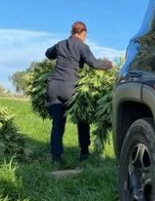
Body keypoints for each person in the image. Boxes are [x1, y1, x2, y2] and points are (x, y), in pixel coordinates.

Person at [45, 21, 113, 164]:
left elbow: (48, 54)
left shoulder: (60, 44)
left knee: (57, 123)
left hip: (54, 87)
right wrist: (109, 64)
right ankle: (84, 153)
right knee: (82, 119)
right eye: (85, 36)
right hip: (70, 88)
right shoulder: (82, 46)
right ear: (83, 33)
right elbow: (94, 63)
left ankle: (56, 157)